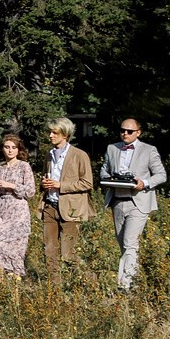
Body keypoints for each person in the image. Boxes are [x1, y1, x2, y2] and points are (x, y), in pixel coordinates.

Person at [99, 116, 167, 292]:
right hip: (117, 202)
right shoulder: (112, 148)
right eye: (122, 130)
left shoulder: (149, 150)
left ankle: (124, 287)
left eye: (129, 131)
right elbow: (104, 170)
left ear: (138, 132)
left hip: (138, 203)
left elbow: (161, 175)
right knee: (124, 245)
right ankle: (134, 282)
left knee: (130, 243)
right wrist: (109, 178)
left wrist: (144, 182)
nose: (125, 134)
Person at [40, 117, 95, 278]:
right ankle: (54, 290)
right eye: (50, 132)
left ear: (65, 134)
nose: (50, 135)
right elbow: (46, 178)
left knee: (68, 253)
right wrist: (44, 184)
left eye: (54, 132)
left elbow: (87, 183)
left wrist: (61, 185)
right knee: (49, 251)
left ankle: (85, 282)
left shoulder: (79, 155)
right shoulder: (49, 155)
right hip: (50, 206)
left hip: (71, 208)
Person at [0, 132, 36, 280]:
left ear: (18, 149)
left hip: (18, 210)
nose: (10, 150)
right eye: (7, 147)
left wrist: (11, 186)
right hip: (0, 210)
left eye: (13, 147)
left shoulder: (24, 166)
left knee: (15, 251)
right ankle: (0, 287)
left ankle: (14, 295)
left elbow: (30, 191)